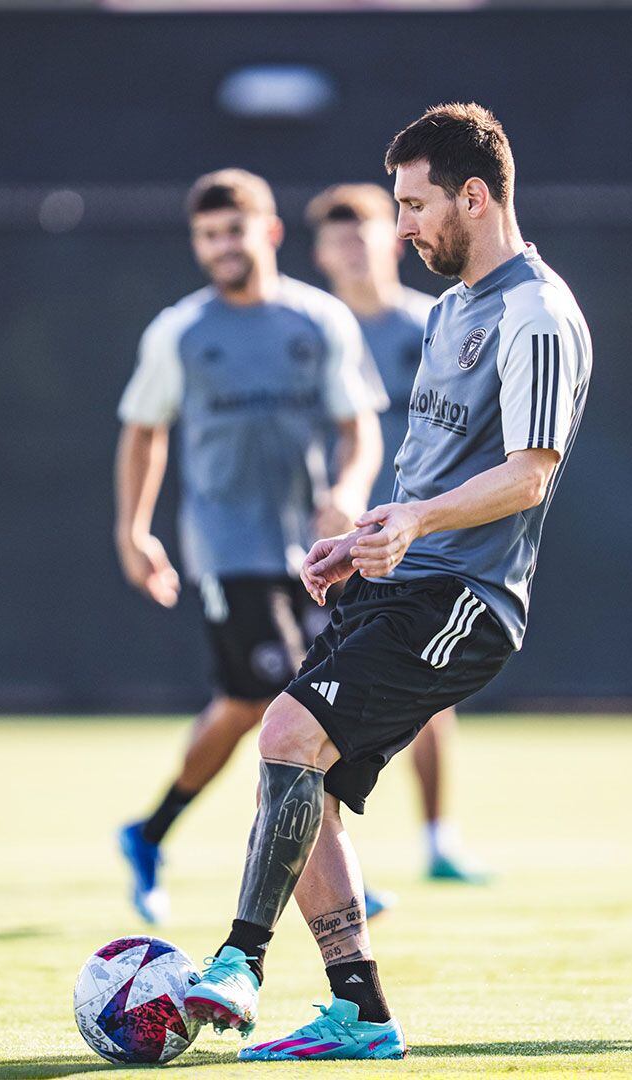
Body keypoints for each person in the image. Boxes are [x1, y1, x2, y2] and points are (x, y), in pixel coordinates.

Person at [184, 103, 593, 1061]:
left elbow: (532, 472)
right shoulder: (450, 310)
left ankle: (238, 962)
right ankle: (359, 1012)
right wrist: (366, 533)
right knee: (304, 786)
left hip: (468, 600)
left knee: (284, 737)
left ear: (476, 197)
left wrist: (412, 524)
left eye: (413, 206)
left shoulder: (538, 312)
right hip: (405, 581)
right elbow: (425, 470)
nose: (401, 227)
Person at [112, 167, 393, 926]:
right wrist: (133, 530)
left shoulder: (318, 321)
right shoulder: (181, 331)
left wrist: (349, 488)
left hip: (314, 555)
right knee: (267, 700)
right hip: (227, 550)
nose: (221, 247)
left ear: (268, 232)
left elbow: (358, 423)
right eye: (207, 236)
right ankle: (171, 835)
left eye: (233, 230)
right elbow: (143, 431)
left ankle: (156, 832)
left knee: (280, 707)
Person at [306, 182, 492, 885]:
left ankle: (440, 839)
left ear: (393, 237)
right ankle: (332, 857)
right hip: (328, 544)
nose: (353, 247)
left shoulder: (437, 323)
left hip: (417, 539)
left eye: (367, 231)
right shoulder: (311, 330)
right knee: (313, 696)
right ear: (320, 252)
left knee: (426, 696)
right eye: (338, 236)